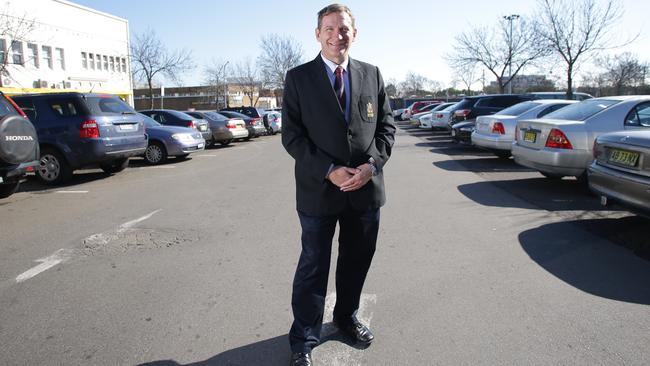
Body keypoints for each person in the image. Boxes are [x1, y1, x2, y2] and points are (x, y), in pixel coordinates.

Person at [281, 4, 396, 366]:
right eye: (329, 29)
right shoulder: (298, 78)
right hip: (319, 190)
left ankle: (346, 317)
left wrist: (371, 166)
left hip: (365, 190)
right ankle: (303, 337)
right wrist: (329, 170)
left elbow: (387, 129)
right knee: (314, 265)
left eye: (343, 28)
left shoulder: (372, 74)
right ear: (318, 34)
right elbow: (292, 137)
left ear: (354, 33)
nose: (337, 36)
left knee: (356, 260)